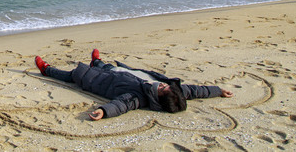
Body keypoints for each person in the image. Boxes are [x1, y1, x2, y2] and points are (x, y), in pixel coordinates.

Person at [35, 49, 234, 120]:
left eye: (163, 89)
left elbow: (121, 105)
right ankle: (96, 60)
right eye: (166, 86)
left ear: (158, 98)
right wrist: (217, 90)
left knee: (71, 75)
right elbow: (196, 90)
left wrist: (104, 111)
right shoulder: (176, 91)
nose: (163, 85)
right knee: (105, 65)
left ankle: (46, 69)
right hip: (119, 72)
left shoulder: (138, 98)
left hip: (98, 81)